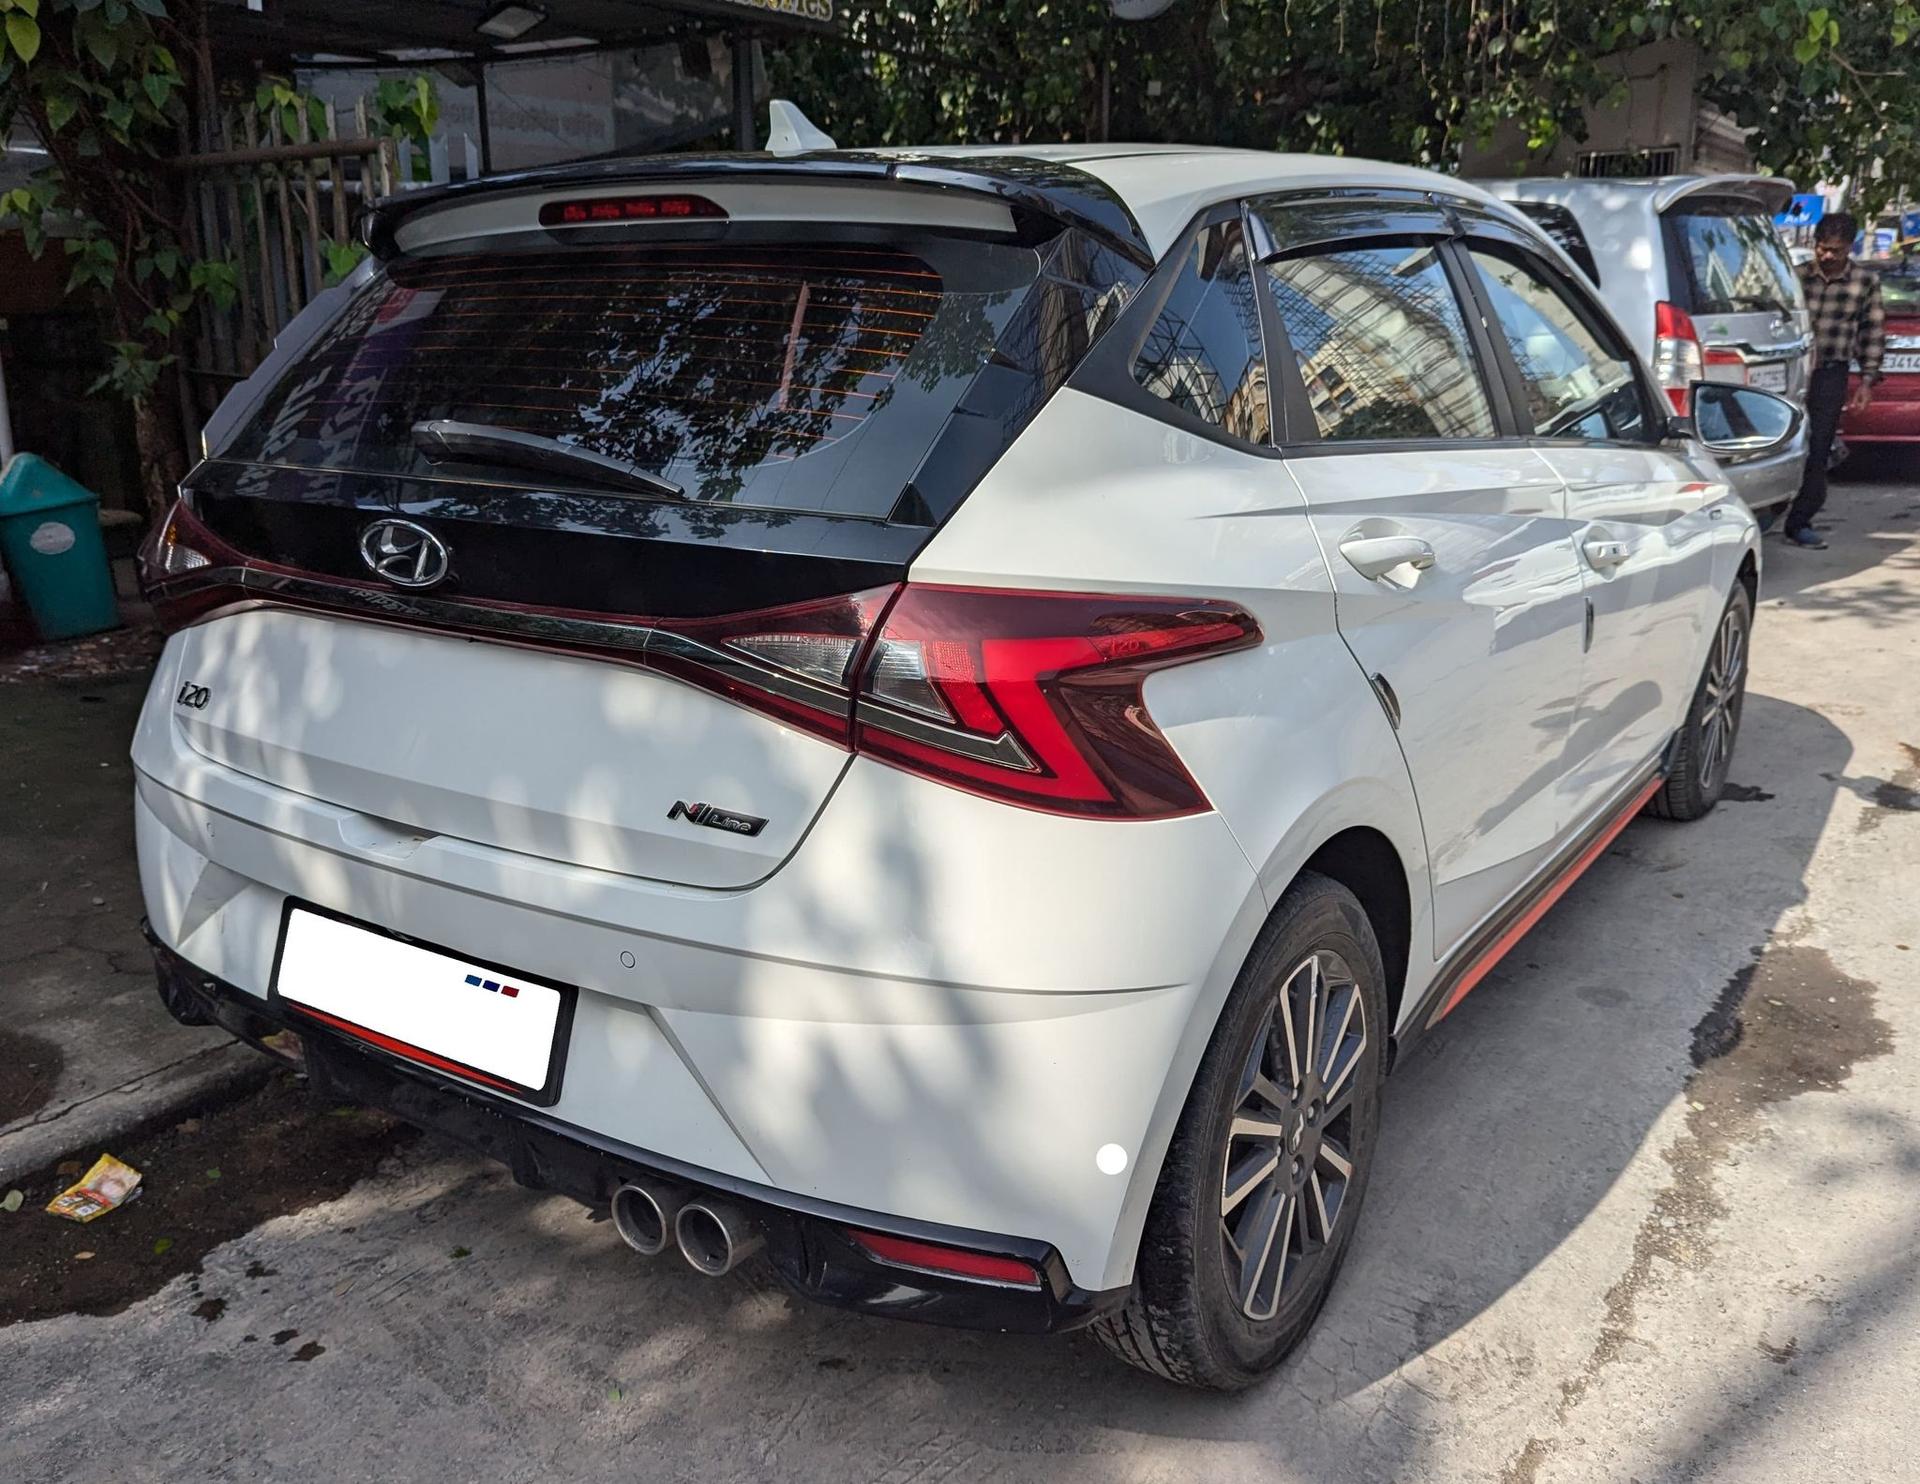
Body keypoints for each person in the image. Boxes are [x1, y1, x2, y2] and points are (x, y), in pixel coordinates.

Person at [1782, 212, 1885, 549]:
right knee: (1777, 439)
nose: (1827, 256)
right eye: (1822, 249)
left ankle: (1801, 521)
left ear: (1849, 249)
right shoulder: (1794, 277)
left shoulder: (1864, 282)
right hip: (1789, 371)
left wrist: (1867, 382)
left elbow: (1871, 333)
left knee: (1819, 444)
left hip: (1831, 373)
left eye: (1835, 251)